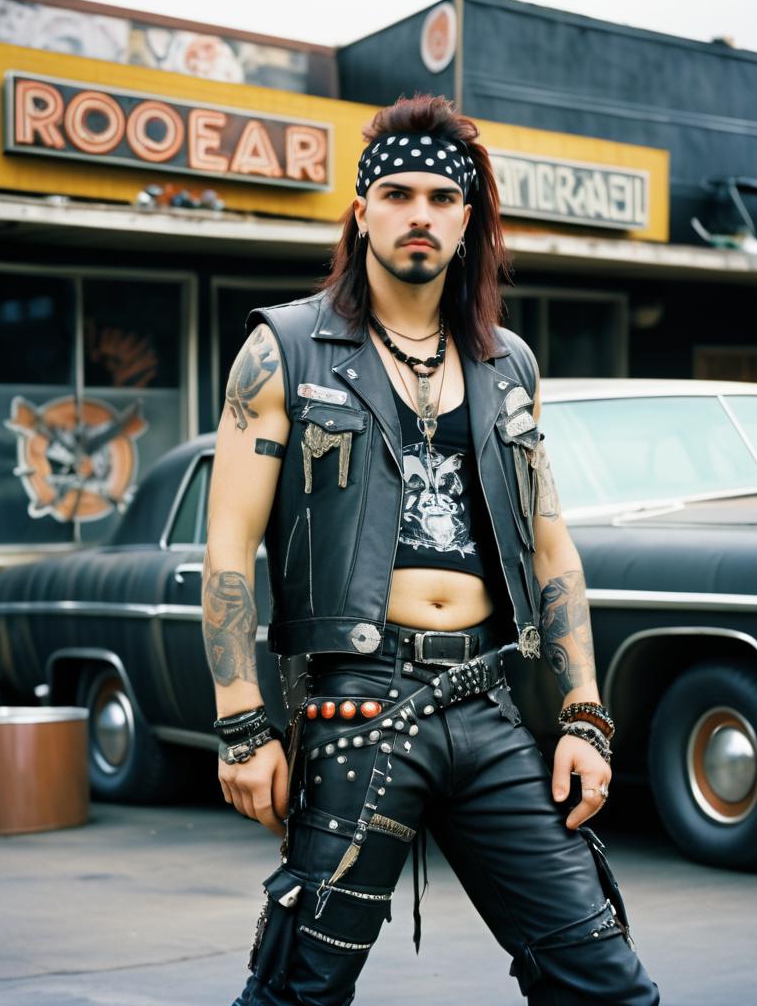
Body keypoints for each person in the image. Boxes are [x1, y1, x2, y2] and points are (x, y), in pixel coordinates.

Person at [203, 93, 661, 1006]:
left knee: (604, 984)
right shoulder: (284, 349)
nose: (420, 214)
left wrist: (583, 715)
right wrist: (242, 725)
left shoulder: (507, 363)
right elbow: (227, 549)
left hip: (488, 705)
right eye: (399, 194)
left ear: (467, 220)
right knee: (298, 992)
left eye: (442, 199)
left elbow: (551, 544)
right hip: (357, 712)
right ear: (362, 210)